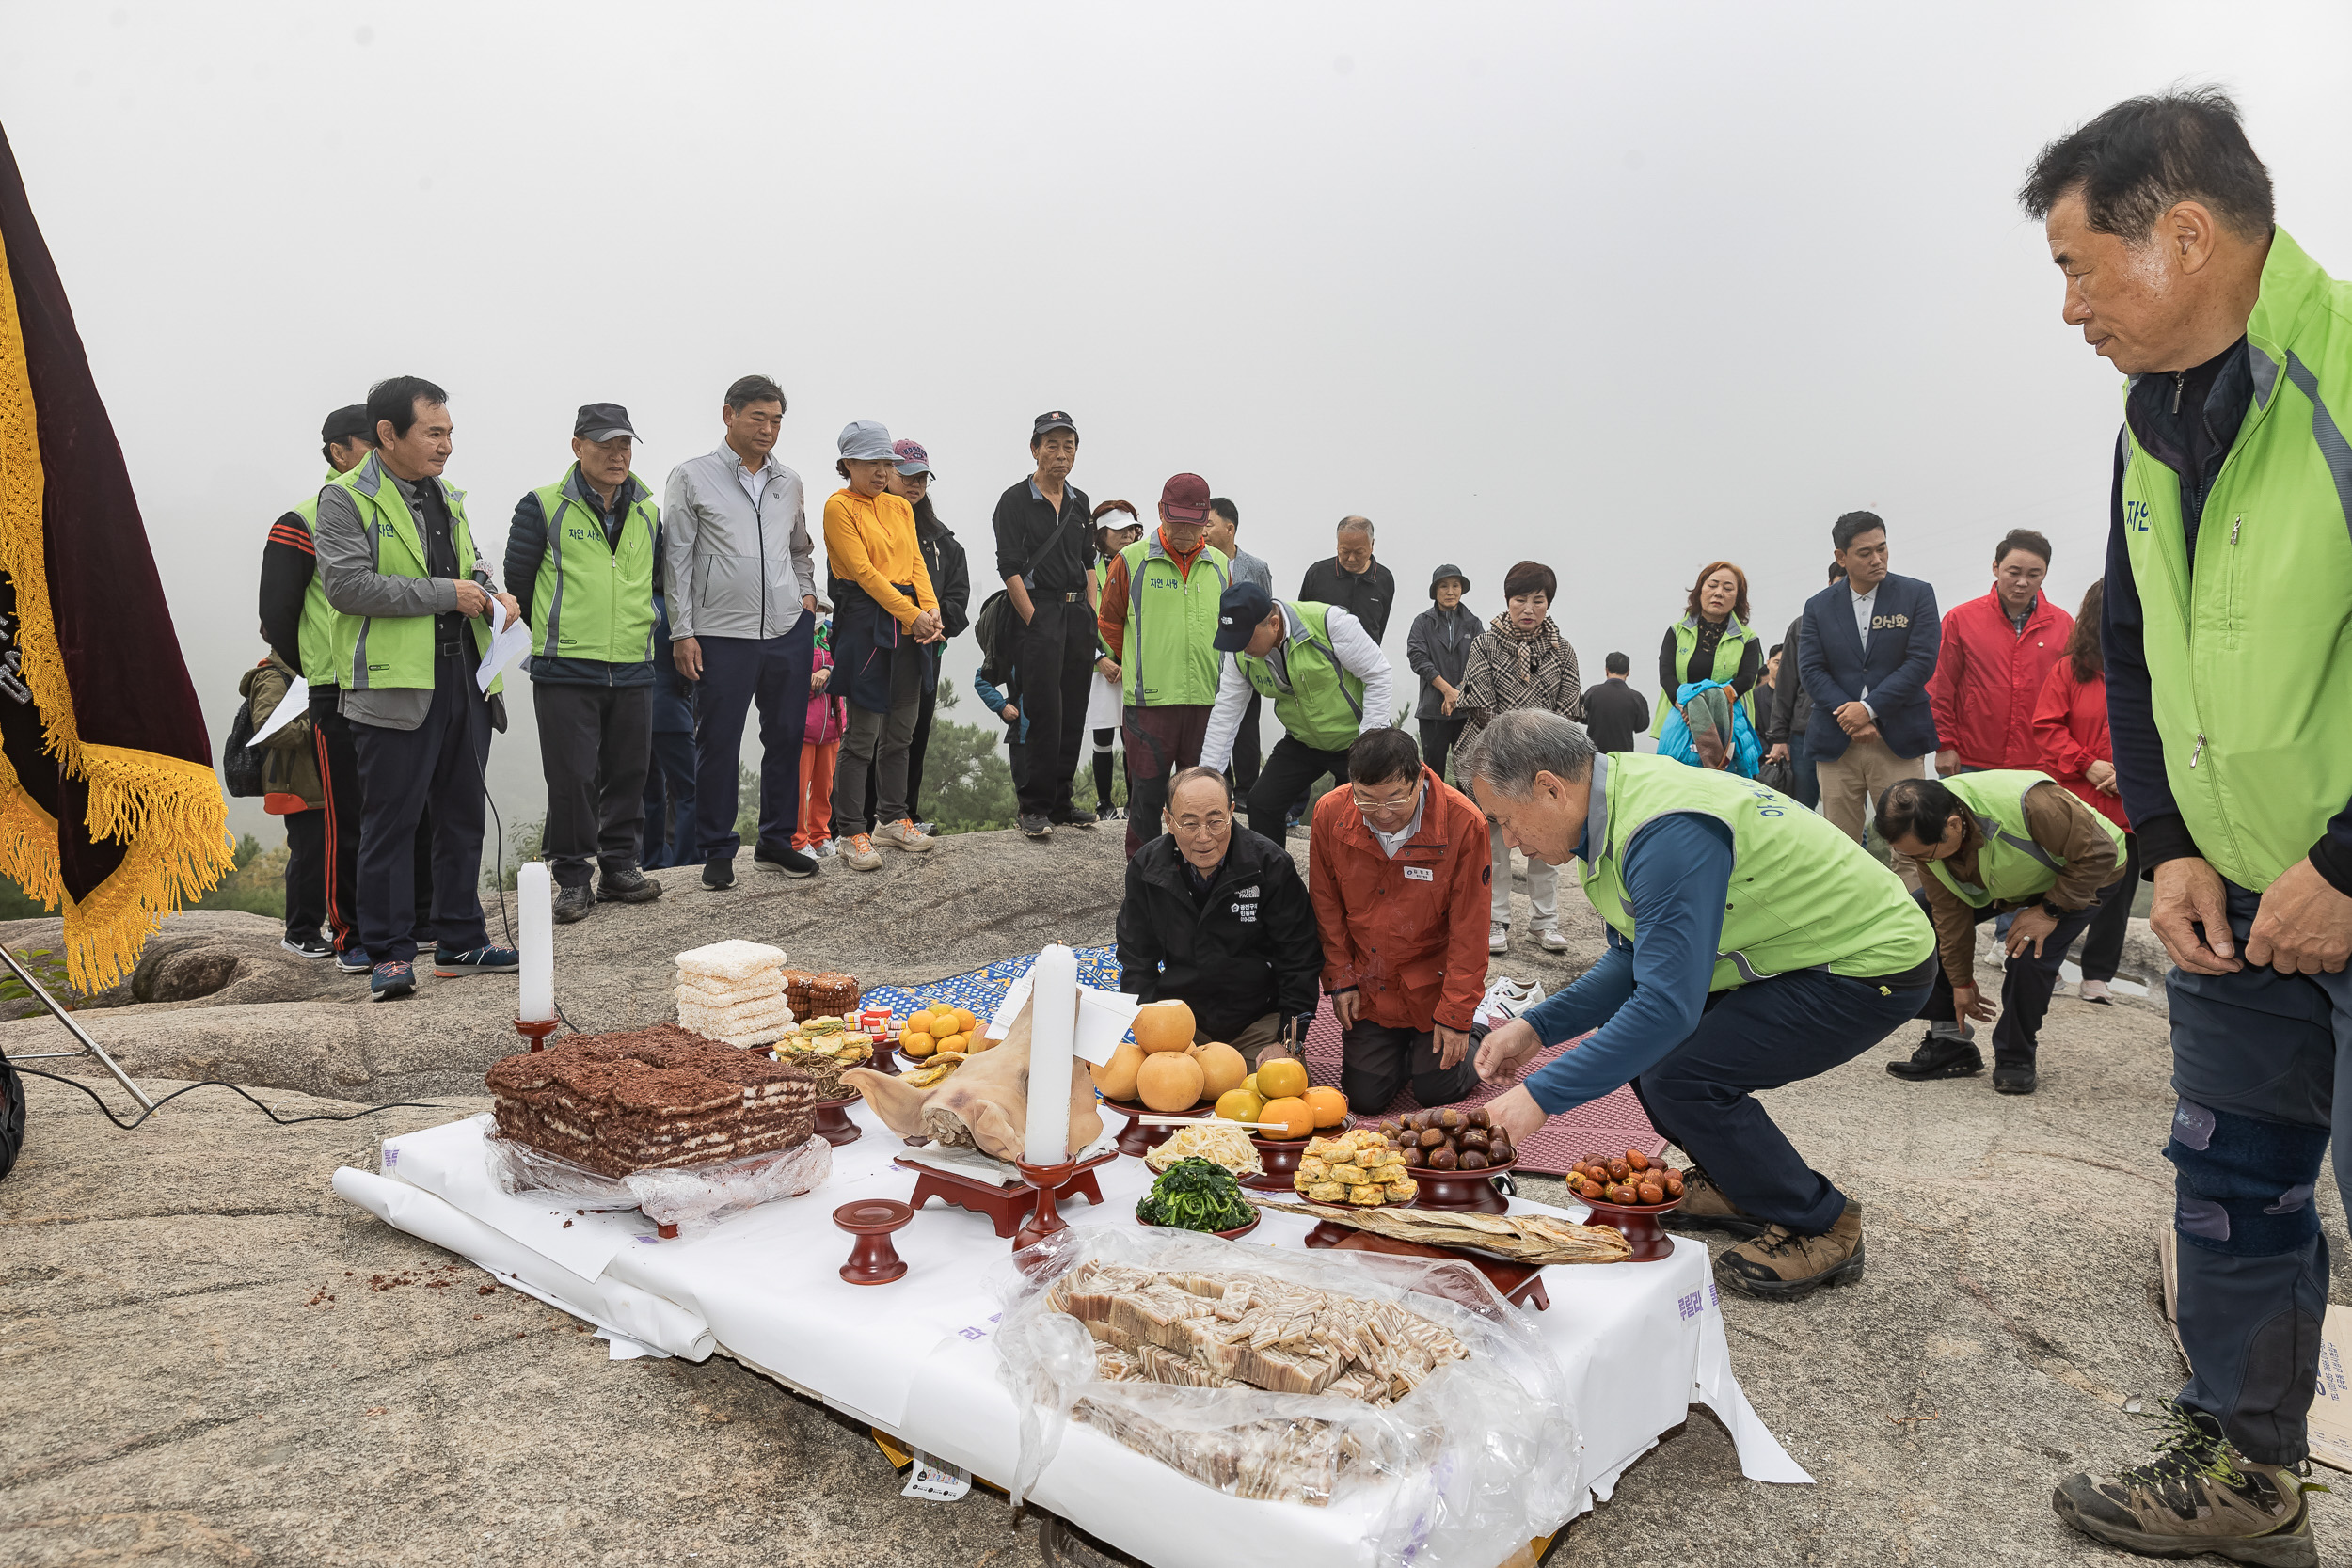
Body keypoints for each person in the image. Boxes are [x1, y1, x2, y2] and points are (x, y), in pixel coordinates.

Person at [2021, 90, 2352, 1559]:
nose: (2074, 308)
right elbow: (2139, 650)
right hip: (2233, 905)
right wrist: (2164, 844)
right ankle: (2244, 1467)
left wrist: (2348, 864)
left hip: (2338, 878)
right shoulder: (2149, 426)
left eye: (2083, 267)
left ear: (2191, 235)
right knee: (2230, 1182)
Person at [1463, 711, 1935, 1299]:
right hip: (1804, 952)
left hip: (1868, 964)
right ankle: (1738, 1183)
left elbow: (1664, 1008)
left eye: (1506, 820)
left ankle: (1821, 1221)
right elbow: (1636, 960)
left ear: (1549, 789)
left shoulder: (1661, 833)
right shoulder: (1614, 807)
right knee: (1653, 1058)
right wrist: (1536, 1027)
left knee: (1680, 1072)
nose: (1509, 839)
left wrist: (1537, 1098)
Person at [312, 376, 518, 1001]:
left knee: (460, 815)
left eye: (450, 432)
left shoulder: (446, 496)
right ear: (387, 434)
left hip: (463, 676)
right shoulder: (343, 499)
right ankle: (390, 952)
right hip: (394, 686)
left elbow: (473, 564)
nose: (447, 445)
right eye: (434, 432)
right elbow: (348, 587)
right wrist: (446, 594)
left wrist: (493, 589)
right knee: (391, 823)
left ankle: (459, 937)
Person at [502, 404, 663, 924]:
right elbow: (519, 586)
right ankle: (573, 878)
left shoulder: (647, 510)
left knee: (629, 771)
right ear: (577, 446)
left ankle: (620, 866)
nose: (618, 455)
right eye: (605, 444)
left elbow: (656, 584)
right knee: (572, 778)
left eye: (625, 445)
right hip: (566, 665)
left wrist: (646, 623)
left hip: (634, 663)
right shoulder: (542, 506)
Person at [663, 373, 821, 888]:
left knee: (785, 737)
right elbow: (678, 559)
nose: (769, 429)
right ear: (728, 414)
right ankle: (717, 849)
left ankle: (777, 842)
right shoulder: (692, 476)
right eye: (759, 418)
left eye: (776, 420)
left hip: (786, 629)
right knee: (719, 740)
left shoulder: (789, 481)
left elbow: (801, 549)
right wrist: (682, 631)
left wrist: (806, 597)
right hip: (719, 632)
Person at [259, 402, 400, 971]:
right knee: (335, 818)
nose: (381, 452)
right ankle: (342, 932)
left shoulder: (404, 505)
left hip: (396, 682)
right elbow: (278, 619)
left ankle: (397, 921)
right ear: (338, 451)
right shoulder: (302, 519)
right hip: (333, 687)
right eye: (370, 443)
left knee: (389, 812)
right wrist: (322, 669)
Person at [1875, 773, 2124, 1094]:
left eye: (1924, 854)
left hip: (2084, 873)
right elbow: (1949, 919)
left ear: (1953, 824)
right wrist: (1961, 983)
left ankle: (2016, 1056)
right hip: (2006, 879)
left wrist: (2049, 910)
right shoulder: (1927, 843)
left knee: (2029, 952)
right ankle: (1951, 1042)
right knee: (1917, 920)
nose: (1922, 862)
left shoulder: (2032, 805)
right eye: (1911, 856)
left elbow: (2100, 854)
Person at [1292, 727, 1490, 1114]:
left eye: (1395, 800)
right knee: (1364, 1099)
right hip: (1371, 985)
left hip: (1432, 987)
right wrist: (1340, 978)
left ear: (1419, 779)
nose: (1382, 815)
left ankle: (1478, 1030)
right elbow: (1326, 904)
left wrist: (1457, 1015)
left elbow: (1471, 929)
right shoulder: (1331, 813)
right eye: (1366, 801)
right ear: (1351, 784)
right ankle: (1406, 1054)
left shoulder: (1465, 823)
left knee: (1438, 1092)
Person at [1116, 767, 1319, 1065]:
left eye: (1215, 822)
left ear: (1232, 812)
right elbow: (1136, 959)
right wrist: (1152, 1029)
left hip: (1257, 1019)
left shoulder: (1270, 864)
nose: (1204, 837)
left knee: (1273, 1098)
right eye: (1189, 824)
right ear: (1168, 821)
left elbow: (1300, 955)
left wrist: (1288, 1040)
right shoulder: (1146, 868)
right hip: (1181, 1022)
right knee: (1162, 1094)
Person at [1796, 512, 1942, 889]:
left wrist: (1870, 709)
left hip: (1897, 740)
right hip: (1837, 743)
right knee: (1838, 848)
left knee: (1910, 848)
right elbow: (1811, 669)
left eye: (1882, 549)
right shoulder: (1818, 606)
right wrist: (1849, 714)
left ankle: (1913, 934)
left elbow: (1921, 663)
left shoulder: (1916, 594)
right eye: (1865, 553)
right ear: (1841, 557)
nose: (1877, 559)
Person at [822, 420, 942, 871]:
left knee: (902, 729)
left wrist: (930, 613)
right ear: (848, 463)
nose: (880, 471)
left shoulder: (900, 507)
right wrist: (914, 617)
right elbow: (865, 573)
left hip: (908, 621)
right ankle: (851, 829)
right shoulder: (838, 507)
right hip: (866, 622)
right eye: (871, 463)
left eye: (886, 463)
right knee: (863, 734)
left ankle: (892, 818)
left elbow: (915, 563)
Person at [1454, 561, 1582, 957]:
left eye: (1538, 600)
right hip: (1494, 763)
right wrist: (1515, 756)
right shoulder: (1484, 644)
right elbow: (1480, 707)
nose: (1528, 608)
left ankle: (1545, 923)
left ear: (1549, 604)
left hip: (1546, 769)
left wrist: (1541, 760)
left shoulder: (1562, 651)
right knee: (1495, 846)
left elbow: (1569, 712)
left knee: (1547, 844)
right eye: (1520, 599)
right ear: (1508, 602)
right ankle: (1496, 919)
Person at [1096, 475, 1231, 858]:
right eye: (1177, 520)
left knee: (1203, 799)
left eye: (1194, 521)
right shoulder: (1131, 560)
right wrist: (1143, 663)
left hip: (1207, 701)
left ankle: (1201, 870)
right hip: (1148, 705)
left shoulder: (1220, 565)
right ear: (1160, 512)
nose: (1186, 531)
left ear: (1206, 518)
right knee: (1148, 797)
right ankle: (1144, 877)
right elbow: (1109, 622)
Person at [1199, 581, 1394, 840]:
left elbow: (1378, 674)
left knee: (1353, 816)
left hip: (1355, 740)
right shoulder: (1239, 656)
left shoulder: (1330, 623)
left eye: (1246, 638)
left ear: (1274, 624)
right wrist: (1205, 782)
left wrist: (1369, 744)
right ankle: (1274, 878)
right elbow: (1225, 714)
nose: (1240, 647)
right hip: (1303, 740)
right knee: (1262, 803)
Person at [992, 410, 1099, 841]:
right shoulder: (1014, 501)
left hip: (1077, 614)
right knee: (1043, 711)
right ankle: (1033, 806)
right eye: (1050, 445)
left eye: (1068, 445)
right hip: (1039, 612)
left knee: (1074, 709)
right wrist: (1034, 620)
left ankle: (1061, 800)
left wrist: (1089, 613)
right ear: (1034, 449)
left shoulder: (1080, 501)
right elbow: (1009, 567)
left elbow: (1088, 560)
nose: (1060, 454)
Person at [2031, 580, 2139, 1004]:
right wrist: (2086, 763)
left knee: (2119, 894)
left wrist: (2131, 773)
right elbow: (2046, 728)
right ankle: (2047, 964)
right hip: (2076, 803)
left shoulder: (2153, 670)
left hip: (2130, 805)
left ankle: (2097, 977)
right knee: (2061, 883)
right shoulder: (2069, 669)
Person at [878, 439, 968, 832]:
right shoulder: (867, 523)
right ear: (888, 473)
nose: (915, 484)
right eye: (907, 475)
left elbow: (958, 601)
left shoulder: (944, 542)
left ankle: (905, 813)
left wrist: (933, 624)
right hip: (877, 648)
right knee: (868, 736)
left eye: (922, 478)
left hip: (926, 651)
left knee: (914, 733)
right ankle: (857, 820)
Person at [1930, 529, 2073, 776]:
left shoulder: (2064, 625)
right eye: (2014, 572)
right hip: (1970, 760)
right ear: (1996, 568)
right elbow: (1939, 687)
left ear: (2045, 574)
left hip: (2041, 762)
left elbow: (2074, 696)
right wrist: (1944, 744)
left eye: (2034, 574)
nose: (2022, 582)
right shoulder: (1960, 620)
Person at [236, 646, 328, 956]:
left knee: (324, 857)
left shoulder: (303, 672)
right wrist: (320, 726)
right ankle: (301, 933)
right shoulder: (272, 677)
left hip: (320, 782)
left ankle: (314, 930)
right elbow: (268, 729)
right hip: (298, 784)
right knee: (309, 858)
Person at [1763, 562, 1846, 811]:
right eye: (1841, 582)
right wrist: (1779, 737)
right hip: (1804, 732)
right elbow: (1786, 683)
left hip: (1847, 729)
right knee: (1800, 808)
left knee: (1846, 809)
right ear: (1829, 584)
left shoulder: (1868, 624)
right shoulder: (1803, 625)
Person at [1201, 498, 1270, 794]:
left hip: (1245, 658)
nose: (1202, 530)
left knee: (1247, 727)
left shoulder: (1255, 567)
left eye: (1209, 523)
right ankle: (1220, 786)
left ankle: (1246, 791)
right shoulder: (1199, 562)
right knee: (1214, 725)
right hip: (1209, 659)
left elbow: (1267, 611)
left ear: (1229, 529)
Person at [1083, 501, 1144, 819]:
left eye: (1129, 529)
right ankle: (1104, 802)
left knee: (1132, 735)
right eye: (1117, 530)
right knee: (1103, 733)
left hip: (1135, 662)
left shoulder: (1142, 561)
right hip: (1101, 664)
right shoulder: (1088, 566)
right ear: (1101, 533)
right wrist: (1098, 659)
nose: (1125, 535)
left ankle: (1136, 803)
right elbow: (1083, 615)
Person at [1654, 561, 1761, 737]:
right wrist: (1687, 707)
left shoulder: (1748, 638)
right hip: (1679, 724)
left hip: (1727, 729)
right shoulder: (1677, 632)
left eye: (1728, 588)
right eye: (1712, 585)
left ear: (1737, 598)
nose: (1718, 593)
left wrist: (1707, 710)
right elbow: (1666, 676)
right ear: (1699, 591)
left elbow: (1747, 679)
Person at [639, 589, 697, 870]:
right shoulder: (677, 612)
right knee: (690, 788)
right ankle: (688, 858)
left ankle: (652, 859)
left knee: (650, 792)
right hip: (672, 711)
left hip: (636, 709)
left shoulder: (636, 603)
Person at [1405, 564, 1477, 783]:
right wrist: (1446, 691)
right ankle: (1432, 816)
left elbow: (1480, 661)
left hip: (1466, 712)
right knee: (1432, 777)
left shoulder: (1473, 623)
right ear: (1435, 591)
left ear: (1462, 589)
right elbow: (1417, 659)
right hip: (1432, 712)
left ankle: (1469, 817)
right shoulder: (1422, 623)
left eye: (1455, 585)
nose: (1450, 591)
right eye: (1444, 586)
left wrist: (1456, 693)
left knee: (1467, 776)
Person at [794, 618, 845, 857]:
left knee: (824, 785)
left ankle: (820, 835)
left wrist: (829, 670)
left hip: (832, 723)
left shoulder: (833, 635)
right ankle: (797, 839)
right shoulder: (795, 636)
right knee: (798, 785)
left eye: (823, 608)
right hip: (803, 724)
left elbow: (847, 662)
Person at [1298, 516, 1394, 641]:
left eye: (1359, 552)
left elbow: (1379, 628)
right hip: (1322, 657)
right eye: (1345, 551)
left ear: (1372, 545)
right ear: (1337, 545)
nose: (1351, 559)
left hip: (1364, 657)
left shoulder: (1384, 579)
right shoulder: (1317, 574)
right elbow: (1301, 620)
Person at [975, 656, 1027, 794]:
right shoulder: (1011, 650)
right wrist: (1001, 706)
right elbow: (982, 680)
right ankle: (1025, 814)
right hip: (1022, 734)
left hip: (1052, 734)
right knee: (1026, 793)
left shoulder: (1056, 648)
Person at [1581, 653, 1650, 757]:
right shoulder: (1636, 697)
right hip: (1623, 756)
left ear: (1606, 670)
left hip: (1595, 755)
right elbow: (1642, 726)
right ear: (1628, 672)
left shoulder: (1593, 692)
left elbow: (1581, 716)